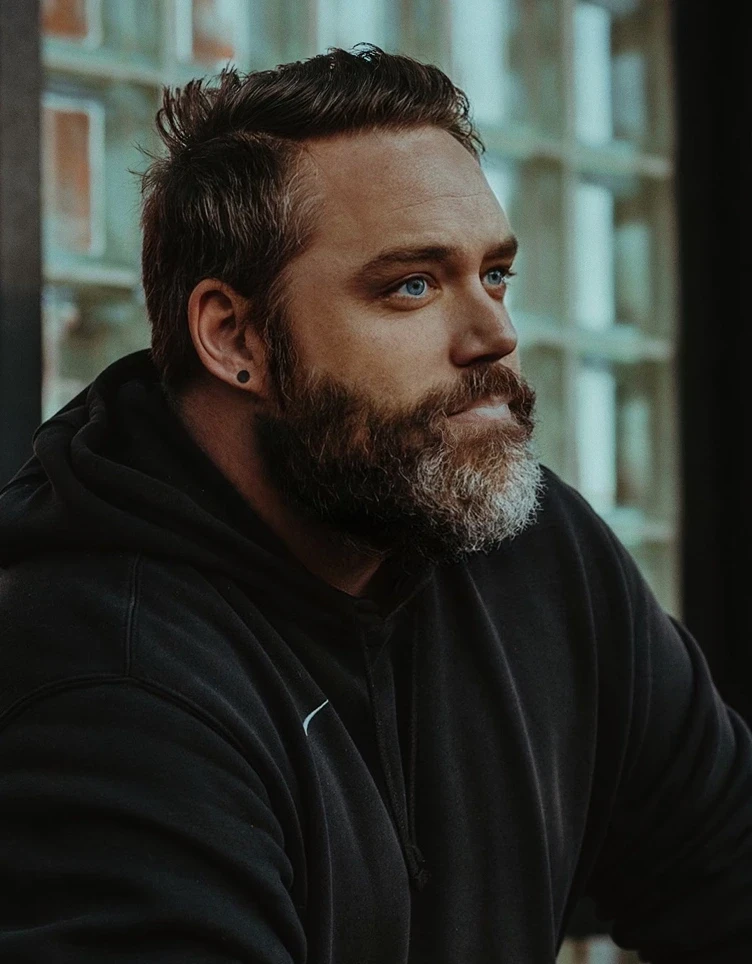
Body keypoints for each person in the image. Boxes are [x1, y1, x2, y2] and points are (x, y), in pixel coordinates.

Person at [0, 45, 749, 964]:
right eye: (412, 286)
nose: (494, 334)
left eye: (496, 274)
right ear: (235, 336)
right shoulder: (103, 673)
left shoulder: (535, 555)